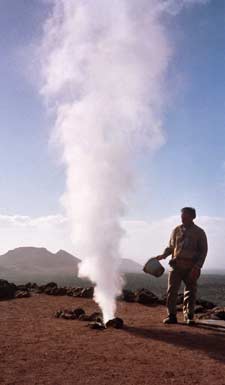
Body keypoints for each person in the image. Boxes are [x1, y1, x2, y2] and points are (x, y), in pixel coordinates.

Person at [157, 207, 208, 325]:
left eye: (185, 216)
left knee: (191, 291)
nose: (182, 218)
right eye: (182, 215)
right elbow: (171, 246)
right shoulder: (176, 230)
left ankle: (189, 316)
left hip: (191, 266)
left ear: (193, 217)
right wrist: (163, 255)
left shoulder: (199, 232)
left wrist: (197, 267)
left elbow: (203, 251)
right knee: (171, 291)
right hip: (176, 265)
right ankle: (171, 316)